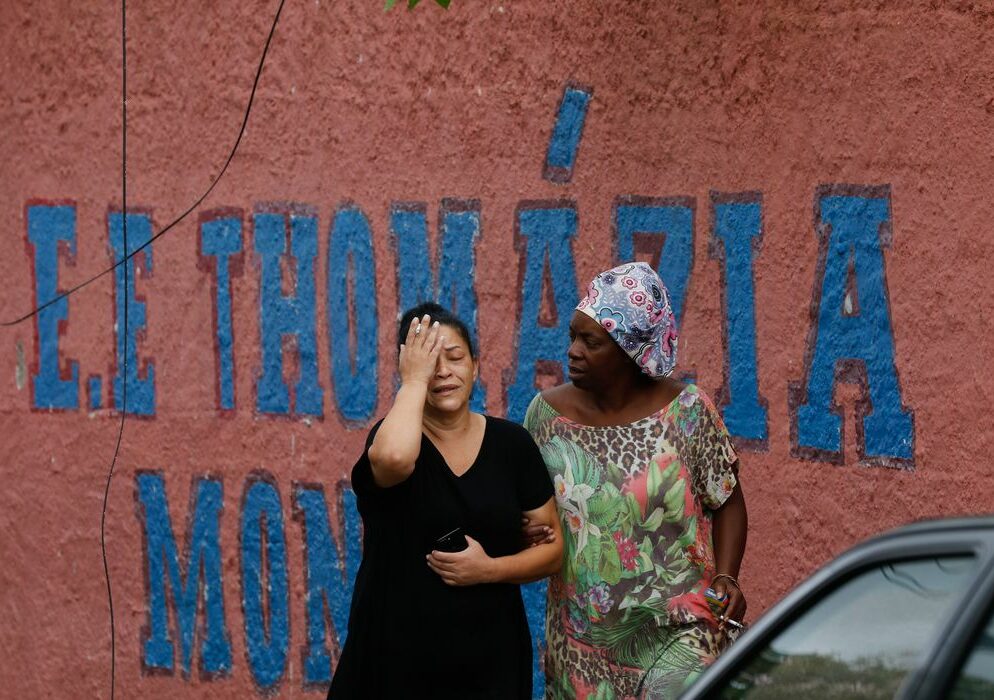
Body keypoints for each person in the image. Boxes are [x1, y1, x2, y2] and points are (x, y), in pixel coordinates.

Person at [522, 262, 748, 699]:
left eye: (591, 342)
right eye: (573, 336)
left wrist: (728, 577)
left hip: (679, 636)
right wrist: (526, 528)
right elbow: (527, 509)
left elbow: (728, 502)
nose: (573, 351)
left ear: (631, 351)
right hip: (583, 646)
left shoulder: (687, 413)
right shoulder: (545, 419)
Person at [329, 302, 564, 699]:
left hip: (490, 662)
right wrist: (414, 384)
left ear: (475, 364)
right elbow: (394, 460)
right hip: (395, 660)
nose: (443, 372)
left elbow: (553, 551)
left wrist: (488, 569)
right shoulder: (392, 441)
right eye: (428, 363)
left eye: (454, 358)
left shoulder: (512, 445)